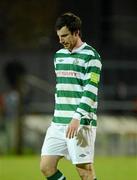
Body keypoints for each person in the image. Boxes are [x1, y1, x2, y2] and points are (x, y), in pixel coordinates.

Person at [40, 12, 102, 180]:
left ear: (76, 32)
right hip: (58, 122)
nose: (61, 40)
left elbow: (90, 91)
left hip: (80, 122)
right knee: (46, 167)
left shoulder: (92, 56)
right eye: (59, 36)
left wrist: (77, 117)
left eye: (65, 35)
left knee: (85, 172)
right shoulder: (58, 56)